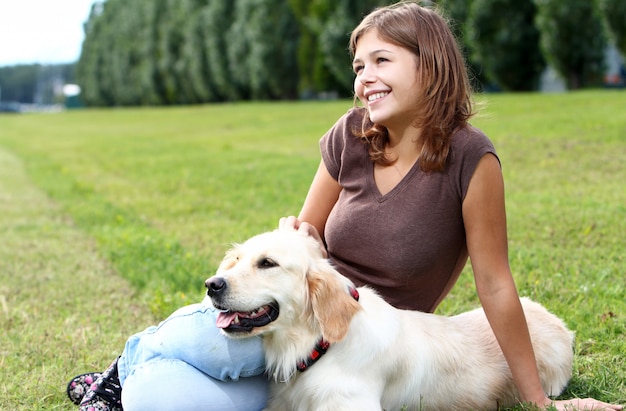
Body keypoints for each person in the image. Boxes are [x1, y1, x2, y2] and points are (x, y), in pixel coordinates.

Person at [67, 2, 623, 411]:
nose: (365, 80)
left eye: (381, 60)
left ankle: (125, 384)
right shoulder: (351, 134)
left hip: (372, 334)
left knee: (169, 401)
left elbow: (496, 285)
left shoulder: (472, 160)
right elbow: (308, 233)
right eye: (359, 66)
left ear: (430, 64)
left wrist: (537, 401)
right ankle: (121, 372)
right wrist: (294, 237)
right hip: (295, 314)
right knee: (206, 343)